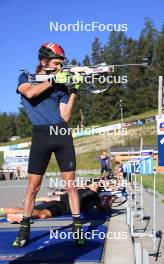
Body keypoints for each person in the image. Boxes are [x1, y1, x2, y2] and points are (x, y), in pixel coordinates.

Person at [13, 42, 84, 248]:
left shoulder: (60, 83)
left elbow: (65, 116)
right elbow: (30, 93)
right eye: (56, 62)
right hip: (41, 135)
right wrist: (54, 79)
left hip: (61, 133)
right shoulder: (25, 77)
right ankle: (24, 230)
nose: (61, 66)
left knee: (71, 186)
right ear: (44, 61)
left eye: (62, 62)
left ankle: (77, 229)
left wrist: (73, 91)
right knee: (32, 188)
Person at [1, 182, 115, 223]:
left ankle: (6, 211)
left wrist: (108, 202)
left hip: (60, 204)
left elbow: (103, 208)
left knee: (36, 211)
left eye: (96, 185)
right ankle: (18, 215)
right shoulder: (86, 192)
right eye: (94, 183)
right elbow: (104, 209)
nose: (94, 184)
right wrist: (110, 202)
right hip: (61, 206)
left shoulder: (93, 195)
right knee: (41, 214)